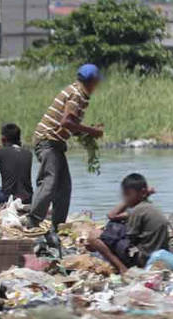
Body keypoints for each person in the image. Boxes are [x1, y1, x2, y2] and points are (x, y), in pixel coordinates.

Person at [26, 64, 104, 229]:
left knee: (64, 186)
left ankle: (58, 225)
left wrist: (88, 134)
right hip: (47, 141)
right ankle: (32, 220)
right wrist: (92, 130)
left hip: (56, 144)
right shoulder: (76, 94)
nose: (97, 86)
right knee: (50, 181)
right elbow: (66, 122)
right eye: (97, 82)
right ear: (91, 81)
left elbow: (70, 126)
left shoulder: (79, 94)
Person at [86, 174, 169, 274]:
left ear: (142, 192)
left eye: (128, 195)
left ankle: (122, 268)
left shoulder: (139, 210)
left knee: (93, 237)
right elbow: (113, 216)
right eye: (124, 195)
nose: (125, 198)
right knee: (112, 228)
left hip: (143, 259)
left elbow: (129, 238)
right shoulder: (148, 207)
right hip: (157, 256)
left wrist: (102, 243)